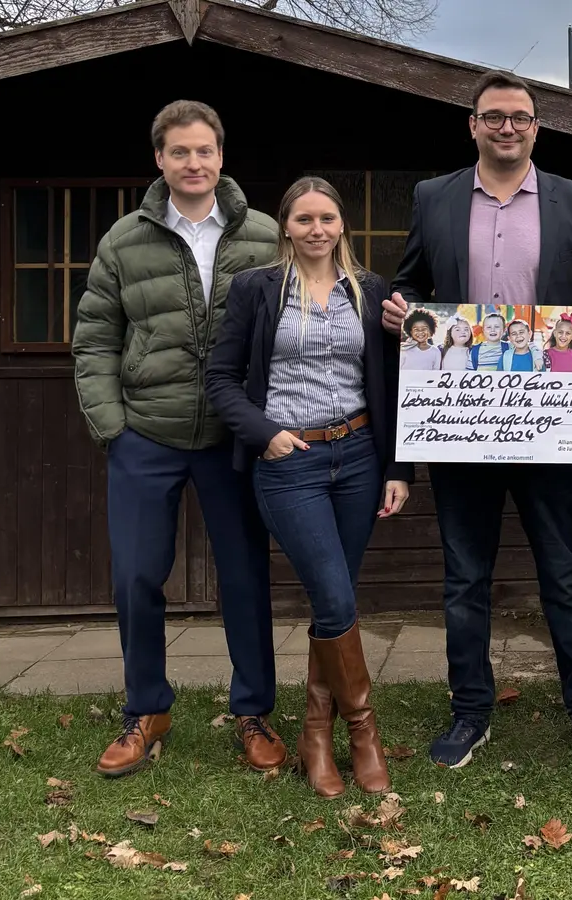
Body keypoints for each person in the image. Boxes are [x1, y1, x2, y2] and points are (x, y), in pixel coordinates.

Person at [381, 69, 572, 770]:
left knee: (565, 575)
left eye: (519, 117)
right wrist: (402, 308)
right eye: (494, 116)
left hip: (547, 421)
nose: (508, 127)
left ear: (536, 127)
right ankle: (469, 711)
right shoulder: (434, 196)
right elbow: (408, 281)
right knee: (464, 578)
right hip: (463, 421)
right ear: (473, 124)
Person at [71, 100, 282, 778]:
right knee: (136, 577)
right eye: (179, 152)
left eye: (205, 151)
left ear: (222, 157)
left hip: (233, 438)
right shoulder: (122, 241)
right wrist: (113, 427)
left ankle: (252, 711)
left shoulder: (264, 236)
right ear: (159, 160)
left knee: (245, 576)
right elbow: (96, 339)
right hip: (147, 436)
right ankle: (147, 709)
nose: (194, 163)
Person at [204, 176, 413, 798]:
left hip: (357, 455)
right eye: (303, 219)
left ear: (340, 225)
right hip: (289, 459)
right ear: (285, 227)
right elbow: (221, 379)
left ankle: (315, 733)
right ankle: (362, 733)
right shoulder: (257, 289)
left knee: (336, 598)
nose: (316, 229)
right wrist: (264, 432)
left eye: (327, 218)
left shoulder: (371, 292)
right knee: (333, 594)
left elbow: (399, 379)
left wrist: (397, 467)